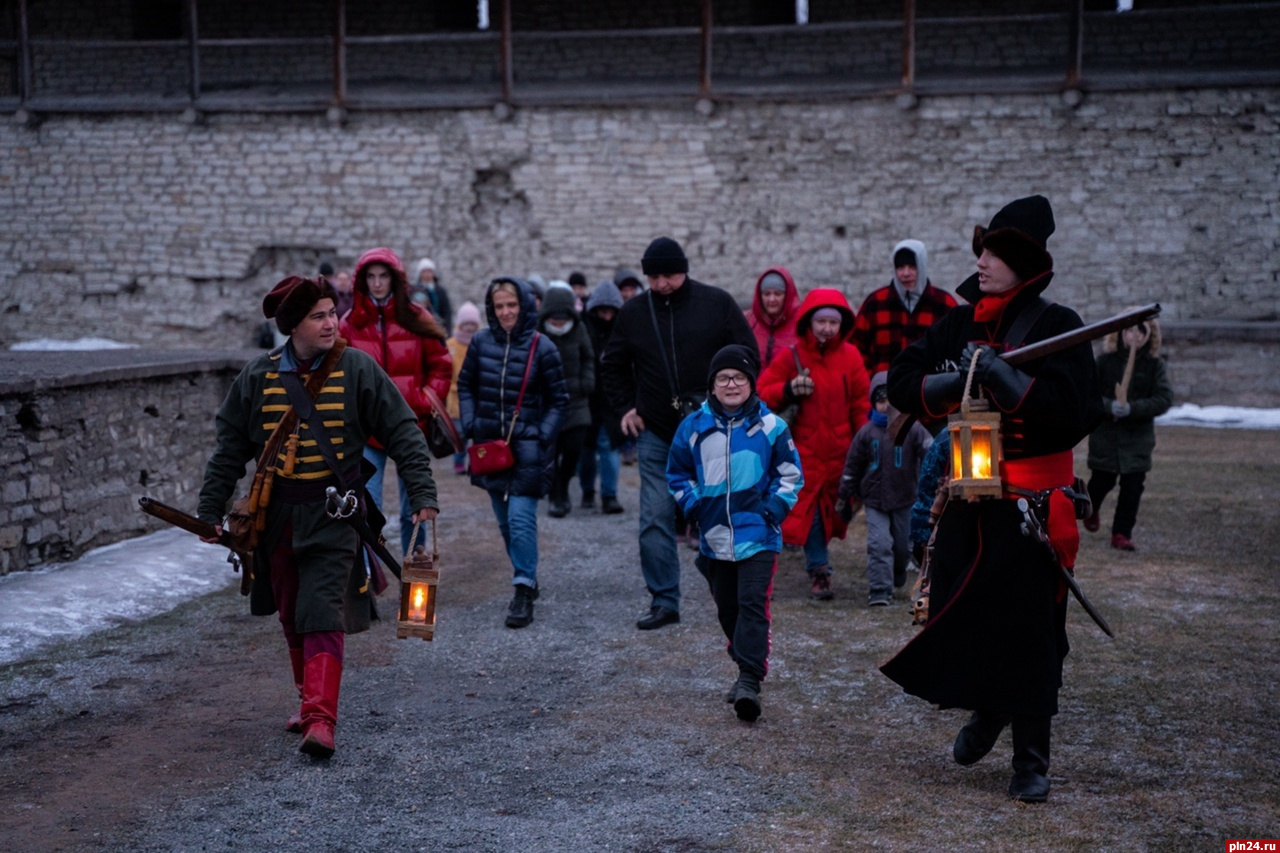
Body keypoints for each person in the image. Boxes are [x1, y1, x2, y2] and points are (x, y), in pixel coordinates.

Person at [882, 195, 1103, 803]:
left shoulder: (1061, 328)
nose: (981, 262)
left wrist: (1015, 384)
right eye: (980, 251)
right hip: (968, 501)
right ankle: (989, 709)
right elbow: (902, 381)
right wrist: (950, 383)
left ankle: (1030, 762)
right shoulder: (956, 324)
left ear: (1024, 264)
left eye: (994, 253)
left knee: (1033, 632)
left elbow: (1078, 412)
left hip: (1034, 507)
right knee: (968, 616)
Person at [198, 274, 439, 759]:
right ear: (294, 326)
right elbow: (230, 450)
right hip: (277, 517)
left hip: (337, 514)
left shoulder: (357, 368)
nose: (332, 323)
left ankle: (321, 720)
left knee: (321, 610)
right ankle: (308, 702)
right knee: (290, 611)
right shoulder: (257, 377)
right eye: (319, 316)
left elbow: (403, 432)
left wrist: (424, 494)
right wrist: (209, 510)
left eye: (333, 312)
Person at [600, 236, 757, 631]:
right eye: (653, 277)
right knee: (654, 516)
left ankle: (731, 590)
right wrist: (625, 409)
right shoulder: (633, 313)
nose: (661, 284)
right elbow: (613, 366)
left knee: (720, 512)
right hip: (655, 430)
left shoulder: (716, 303)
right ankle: (664, 599)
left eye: (668, 275)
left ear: (684, 270)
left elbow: (748, 354)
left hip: (712, 430)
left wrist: (731, 397)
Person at [667, 345, 803, 722]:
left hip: (758, 534)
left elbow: (790, 474)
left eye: (739, 377)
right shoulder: (693, 427)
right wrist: (694, 506)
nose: (731, 384)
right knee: (727, 607)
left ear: (751, 383)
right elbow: (677, 475)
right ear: (712, 385)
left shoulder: (772, 427)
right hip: (713, 537)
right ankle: (745, 658)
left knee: (751, 603)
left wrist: (772, 509)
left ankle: (749, 681)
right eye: (723, 378)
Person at [458, 277, 569, 629]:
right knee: (506, 523)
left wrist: (543, 436)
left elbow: (559, 400)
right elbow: (465, 385)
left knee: (521, 520)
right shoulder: (479, 343)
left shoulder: (544, 347)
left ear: (524, 306)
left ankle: (522, 588)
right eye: (500, 306)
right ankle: (528, 576)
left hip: (528, 450)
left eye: (512, 305)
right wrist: (471, 421)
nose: (506, 312)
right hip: (490, 449)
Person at [757, 289, 870, 601]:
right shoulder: (792, 356)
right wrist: (789, 389)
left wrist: (864, 442)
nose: (827, 329)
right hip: (803, 453)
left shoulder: (851, 357)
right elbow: (763, 391)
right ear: (809, 322)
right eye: (821, 321)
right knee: (814, 512)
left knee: (836, 512)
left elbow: (860, 403)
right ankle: (819, 570)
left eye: (833, 322)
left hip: (841, 453)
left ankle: (815, 558)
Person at [340, 248, 453, 556]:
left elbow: (442, 363)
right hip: (368, 430)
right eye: (371, 277)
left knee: (413, 508)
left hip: (410, 425)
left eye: (383, 276)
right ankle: (364, 578)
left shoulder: (416, 318)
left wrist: (424, 397)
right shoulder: (350, 324)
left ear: (395, 279)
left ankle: (413, 572)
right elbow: (338, 372)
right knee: (364, 507)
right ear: (362, 281)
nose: (377, 283)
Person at [837, 372, 933, 606]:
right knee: (879, 544)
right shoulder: (866, 432)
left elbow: (930, 452)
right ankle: (879, 590)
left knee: (902, 546)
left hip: (905, 498)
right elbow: (853, 464)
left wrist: (937, 471)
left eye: (891, 400)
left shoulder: (913, 429)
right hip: (874, 499)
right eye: (881, 400)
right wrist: (845, 494)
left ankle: (897, 571)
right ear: (873, 402)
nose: (886, 405)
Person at [1084, 315, 1173, 551]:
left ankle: (1121, 533)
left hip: (1137, 440)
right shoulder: (1105, 362)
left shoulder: (1154, 366)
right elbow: (1086, 392)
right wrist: (1108, 405)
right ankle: (1090, 511)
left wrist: (1133, 409)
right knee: (1101, 482)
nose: (1136, 337)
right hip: (1106, 437)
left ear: (1149, 335)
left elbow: (1164, 399)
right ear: (1121, 334)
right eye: (1131, 332)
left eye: (1142, 332)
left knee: (1132, 487)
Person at [851, 240, 958, 428]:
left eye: (911, 266)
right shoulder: (875, 304)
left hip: (930, 406)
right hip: (883, 405)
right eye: (900, 267)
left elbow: (956, 353)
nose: (905, 273)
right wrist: (875, 385)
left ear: (922, 266)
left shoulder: (944, 304)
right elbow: (856, 352)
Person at [539, 283, 596, 518]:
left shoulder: (579, 329)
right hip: (547, 403)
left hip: (577, 401)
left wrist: (586, 383)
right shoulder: (538, 332)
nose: (559, 322)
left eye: (563, 318)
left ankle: (563, 486)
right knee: (550, 453)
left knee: (574, 448)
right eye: (555, 318)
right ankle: (555, 495)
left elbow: (588, 358)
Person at [579, 279, 626, 514]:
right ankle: (587, 490)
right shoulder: (583, 327)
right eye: (603, 312)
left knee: (608, 446)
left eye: (611, 312)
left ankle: (609, 494)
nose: (606, 317)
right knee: (586, 448)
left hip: (611, 398)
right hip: (587, 397)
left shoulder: (622, 329)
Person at [446, 300, 483, 475]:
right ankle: (459, 461)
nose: (469, 328)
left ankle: (475, 462)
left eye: (472, 324)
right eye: (466, 324)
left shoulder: (482, 343)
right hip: (456, 397)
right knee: (459, 433)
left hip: (478, 395)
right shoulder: (451, 345)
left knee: (476, 433)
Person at [745, 267, 801, 368]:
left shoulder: (801, 323)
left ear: (787, 295)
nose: (772, 299)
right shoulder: (748, 321)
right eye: (767, 294)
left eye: (778, 294)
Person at [409, 257, 453, 334]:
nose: (427, 274)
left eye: (429, 271)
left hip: (437, 325)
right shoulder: (414, 291)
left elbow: (446, 311)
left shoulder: (440, 291)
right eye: (424, 272)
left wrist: (447, 329)